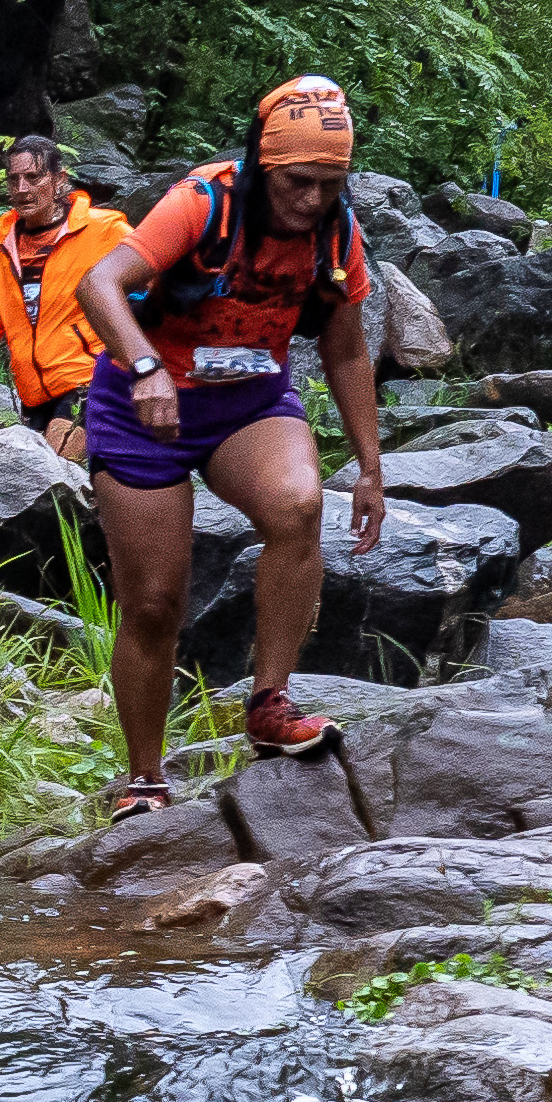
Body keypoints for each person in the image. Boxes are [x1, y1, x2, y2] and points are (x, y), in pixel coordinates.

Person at [67, 76, 393, 817]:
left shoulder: (338, 233)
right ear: (263, 165)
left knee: (299, 504)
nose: (313, 199)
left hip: (249, 404)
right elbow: (101, 282)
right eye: (299, 182)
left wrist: (372, 466)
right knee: (154, 603)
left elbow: (345, 352)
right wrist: (145, 366)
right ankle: (144, 778)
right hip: (142, 406)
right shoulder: (203, 203)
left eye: (330, 183)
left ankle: (269, 704)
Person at [0, 135, 130, 461]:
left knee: (54, 473)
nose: (22, 189)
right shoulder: (3, 242)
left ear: (59, 180)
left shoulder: (104, 230)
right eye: (14, 179)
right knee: (46, 487)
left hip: (87, 378)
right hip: (32, 391)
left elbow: (156, 269)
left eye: (33, 177)